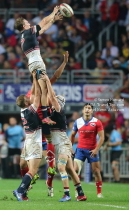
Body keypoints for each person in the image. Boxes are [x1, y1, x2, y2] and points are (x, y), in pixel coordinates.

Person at [19, 51, 69, 196]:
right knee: (23, 164)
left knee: (51, 161)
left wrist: (64, 62)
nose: (43, 80)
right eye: (40, 78)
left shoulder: (46, 89)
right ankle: (27, 183)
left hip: (47, 127)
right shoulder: (32, 94)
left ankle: (49, 185)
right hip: (35, 130)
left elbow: (55, 76)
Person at [41, 74, 87, 202]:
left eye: (54, 99)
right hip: (61, 143)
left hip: (63, 144)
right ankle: (81, 193)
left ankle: (67, 194)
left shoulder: (58, 108)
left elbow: (52, 96)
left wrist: (47, 82)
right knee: (71, 171)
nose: (52, 100)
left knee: (61, 168)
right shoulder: (53, 112)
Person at [15, 7, 63, 125]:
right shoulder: (28, 32)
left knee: (44, 89)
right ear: (23, 26)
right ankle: (45, 116)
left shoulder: (26, 36)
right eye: (27, 22)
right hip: (36, 62)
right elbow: (43, 22)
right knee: (44, 89)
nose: (29, 23)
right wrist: (53, 13)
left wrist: (54, 20)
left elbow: (43, 29)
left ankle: (45, 116)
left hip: (33, 63)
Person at [14, 71, 41, 201]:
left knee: (26, 166)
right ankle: (20, 191)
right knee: (33, 170)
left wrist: (34, 79)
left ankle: (23, 194)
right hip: (34, 141)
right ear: (26, 103)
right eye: (27, 98)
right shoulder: (30, 110)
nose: (29, 97)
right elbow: (37, 95)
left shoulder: (22, 110)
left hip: (28, 140)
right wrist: (35, 80)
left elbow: (32, 94)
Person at [71, 103, 105, 198]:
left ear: (92, 111)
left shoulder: (97, 122)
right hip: (80, 150)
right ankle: (78, 191)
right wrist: (70, 147)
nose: (87, 110)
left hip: (92, 150)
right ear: (83, 110)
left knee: (96, 171)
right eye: (85, 108)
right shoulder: (77, 122)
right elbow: (72, 135)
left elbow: (102, 137)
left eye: (89, 108)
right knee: (76, 170)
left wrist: (96, 149)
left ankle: (99, 192)